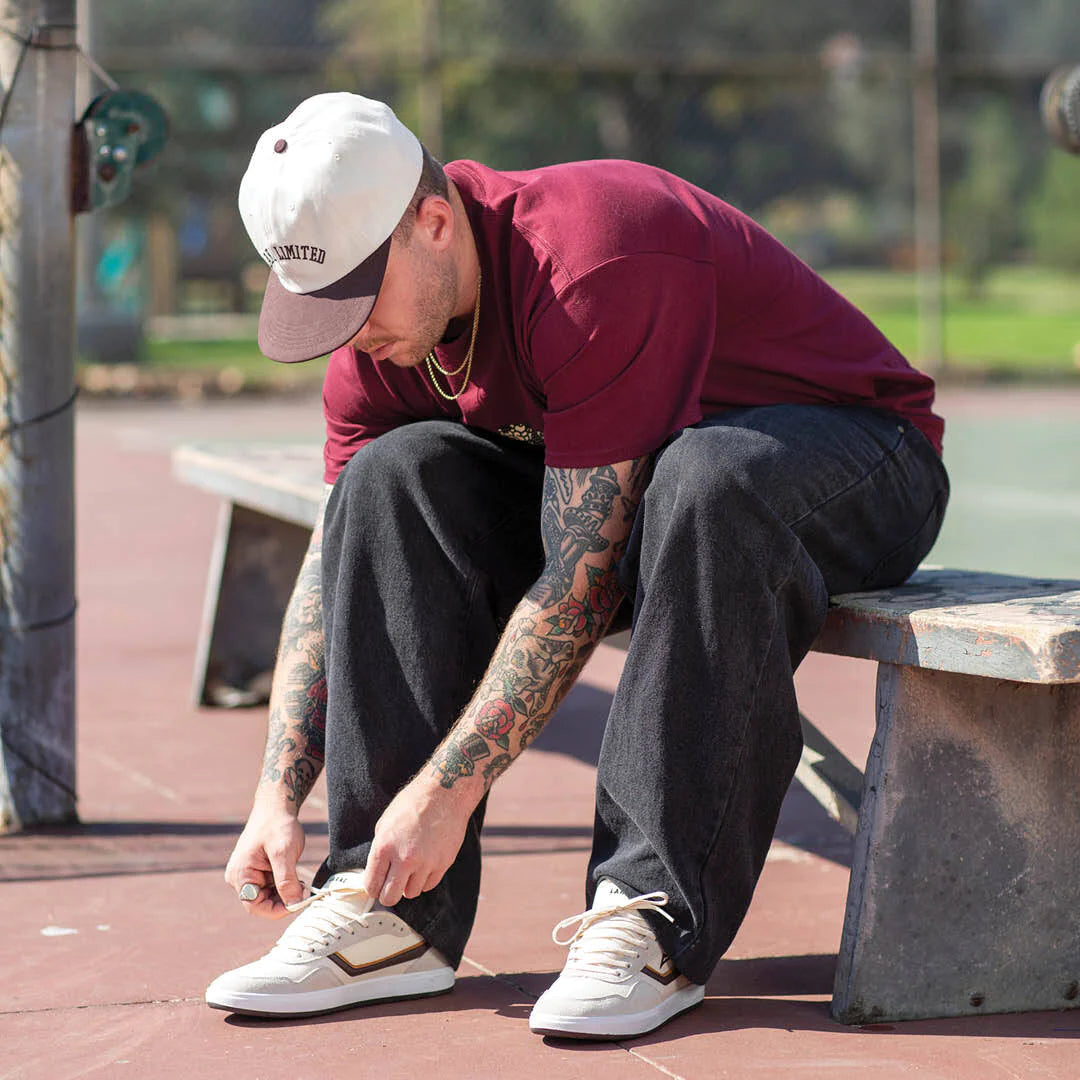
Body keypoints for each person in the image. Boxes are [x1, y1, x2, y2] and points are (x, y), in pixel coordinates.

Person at [205, 92, 949, 1039]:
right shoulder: (380, 334)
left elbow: (579, 583)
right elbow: (333, 562)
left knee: (705, 482)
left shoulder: (590, 258)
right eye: (320, 306)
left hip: (857, 458)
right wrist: (277, 794)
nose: (345, 332)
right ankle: (386, 907)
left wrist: (445, 792)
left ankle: (648, 912)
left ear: (432, 223)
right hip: (647, 487)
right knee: (389, 481)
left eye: (355, 298)